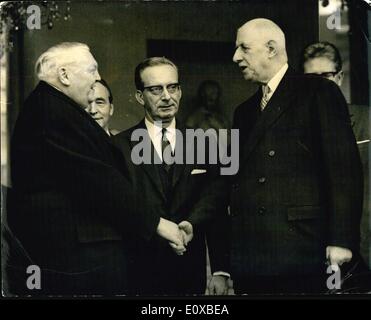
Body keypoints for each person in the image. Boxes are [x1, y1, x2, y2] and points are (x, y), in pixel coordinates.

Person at [5, 43, 181, 295]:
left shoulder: (54, 107)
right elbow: (99, 181)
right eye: (92, 70)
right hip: (77, 255)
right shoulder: (53, 112)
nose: (98, 78)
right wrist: (159, 224)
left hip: (77, 250)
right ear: (64, 75)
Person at [228, 18, 363, 294]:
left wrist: (341, 240)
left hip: (304, 251)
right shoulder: (243, 111)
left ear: (271, 49)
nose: (236, 57)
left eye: (243, 48)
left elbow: (343, 169)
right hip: (253, 257)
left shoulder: (319, 92)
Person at [113, 57, 229, 295]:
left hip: (190, 272)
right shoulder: (119, 146)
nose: (166, 96)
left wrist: (220, 270)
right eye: (156, 89)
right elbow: (117, 208)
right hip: (138, 273)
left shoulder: (204, 143)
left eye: (172, 87)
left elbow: (216, 203)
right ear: (139, 96)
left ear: (180, 91)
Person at [302, 41, 370, 291]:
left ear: (339, 77)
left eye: (325, 76)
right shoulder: (295, 131)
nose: (319, 85)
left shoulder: (367, 120)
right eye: (312, 78)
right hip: (315, 249)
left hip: (365, 246)